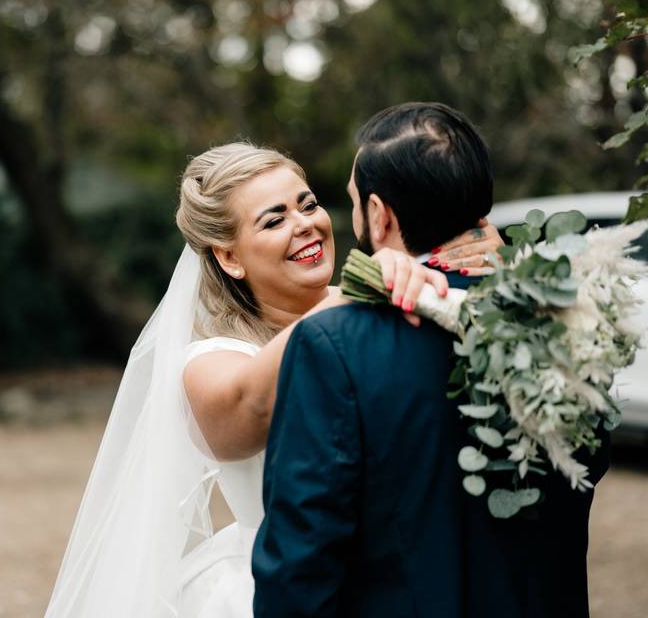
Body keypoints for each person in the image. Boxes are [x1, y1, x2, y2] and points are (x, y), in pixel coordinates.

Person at [44, 141, 502, 617]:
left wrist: (493, 277)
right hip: (281, 591)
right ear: (229, 257)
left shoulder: (378, 297)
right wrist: (364, 286)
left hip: (408, 579)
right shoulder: (211, 360)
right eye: (274, 219)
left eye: (308, 205)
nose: (304, 223)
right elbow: (244, 408)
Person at [252, 102, 609, 618]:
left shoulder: (332, 345)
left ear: (379, 214)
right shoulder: (568, 319)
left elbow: (299, 561)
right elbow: (585, 471)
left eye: (354, 201)